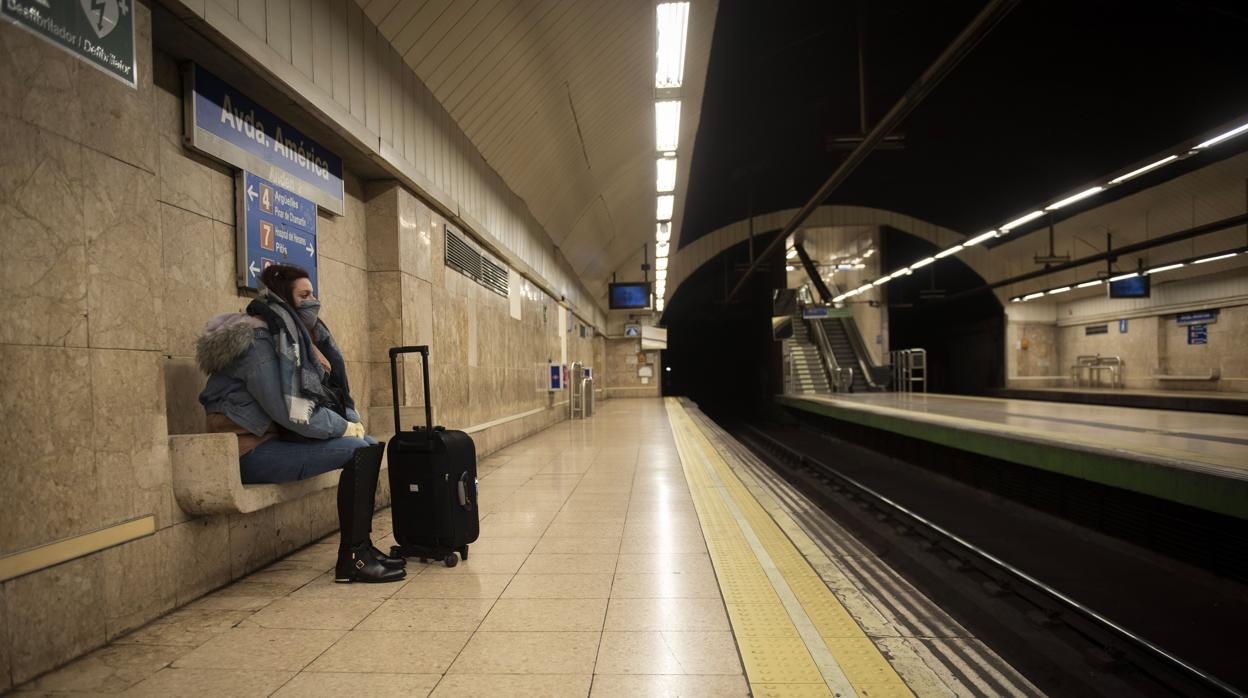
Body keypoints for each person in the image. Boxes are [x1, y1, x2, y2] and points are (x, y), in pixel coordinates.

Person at [196, 264, 405, 583]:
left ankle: (360, 549)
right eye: (304, 295)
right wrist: (342, 427)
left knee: (369, 445)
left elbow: (321, 398)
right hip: (245, 450)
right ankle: (353, 559)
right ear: (285, 301)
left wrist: (351, 420)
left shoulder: (291, 338)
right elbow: (291, 410)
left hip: (272, 441)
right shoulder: (259, 344)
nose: (313, 301)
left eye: (313, 293)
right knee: (357, 451)